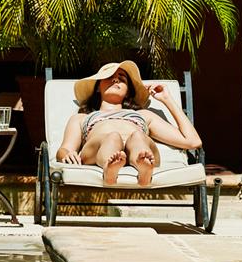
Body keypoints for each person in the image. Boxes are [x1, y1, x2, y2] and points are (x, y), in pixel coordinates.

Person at [53, 60, 202, 186]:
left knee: (138, 136)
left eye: (122, 78)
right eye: (109, 77)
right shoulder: (81, 118)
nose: (115, 80)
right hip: (98, 149)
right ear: (98, 87)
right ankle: (109, 167)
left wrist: (167, 99)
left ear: (128, 91)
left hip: (137, 148)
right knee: (112, 137)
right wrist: (67, 155)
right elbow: (64, 149)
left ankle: (143, 168)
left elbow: (193, 141)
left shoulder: (144, 115)